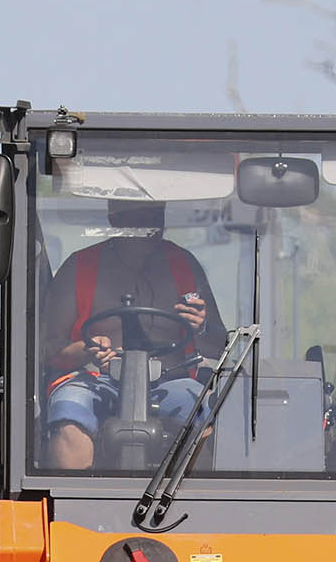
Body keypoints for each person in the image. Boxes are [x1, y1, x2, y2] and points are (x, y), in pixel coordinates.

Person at [40, 199, 226, 468]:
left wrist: (203, 325)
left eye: (155, 210)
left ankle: (200, 504)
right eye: (139, 212)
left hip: (171, 379)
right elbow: (47, 349)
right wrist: (86, 349)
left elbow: (219, 346)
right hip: (93, 378)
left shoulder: (184, 264)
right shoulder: (79, 266)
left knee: (210, 416)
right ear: (114, 215)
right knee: (68, 414)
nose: (150, 220)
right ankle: (73, 507)